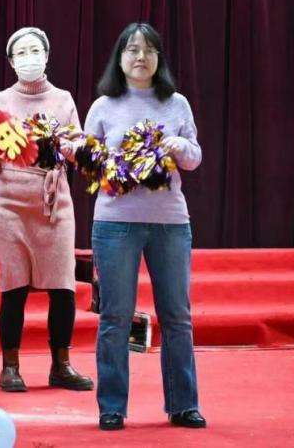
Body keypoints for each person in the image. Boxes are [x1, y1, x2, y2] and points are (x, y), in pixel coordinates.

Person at [85, 23, 205, 431]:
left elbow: (194, 158)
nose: (141, 57)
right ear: (119, 59)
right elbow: (88, 160)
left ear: (159, 58)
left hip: (170, 223)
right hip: (115, 224)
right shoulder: (104, 106)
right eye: (133, 50)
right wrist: (102, 160)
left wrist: (180, 146)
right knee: (115, 318)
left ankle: (183, 404)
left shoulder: (177, 104)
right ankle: (112, 406)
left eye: (149, 50)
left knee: (177, 317)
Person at [0, 27, 94, 392]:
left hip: (53, 202)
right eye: (21, 53)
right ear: (10, 61)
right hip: (9, 203)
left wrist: (70, 147)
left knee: (63, 287)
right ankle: (10, 366)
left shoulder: (63, 99)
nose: (29, 58)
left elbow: (78, 148)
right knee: (13, 287)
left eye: (35, 51)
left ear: (47, 56)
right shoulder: (0, 99)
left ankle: (61, 365)